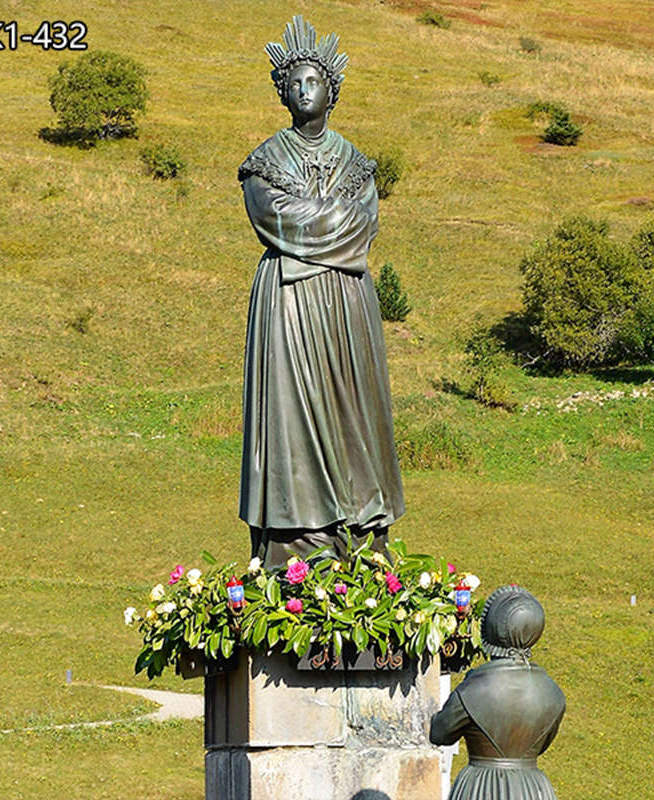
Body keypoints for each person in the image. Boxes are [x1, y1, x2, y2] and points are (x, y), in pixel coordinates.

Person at [237, 16, 405, 568]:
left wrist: (315, 234)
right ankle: (298, 543)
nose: (303, 91)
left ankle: (360, 532)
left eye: (313, 82)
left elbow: (366, 226)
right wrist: (333, 222)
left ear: (331, 91)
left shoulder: (356, 163)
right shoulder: (265, 161)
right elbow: (272, 217)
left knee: (352, 406)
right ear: (282, 92)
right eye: (294, 84)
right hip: (287, 306)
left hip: (345, 303)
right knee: (291, 410)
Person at [430, 585, 566, 800]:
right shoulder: (553, 693)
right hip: (531, 788)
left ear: (491, 631)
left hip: (479, 787)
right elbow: (541, 746)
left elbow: (439, 733)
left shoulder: (473, 688)